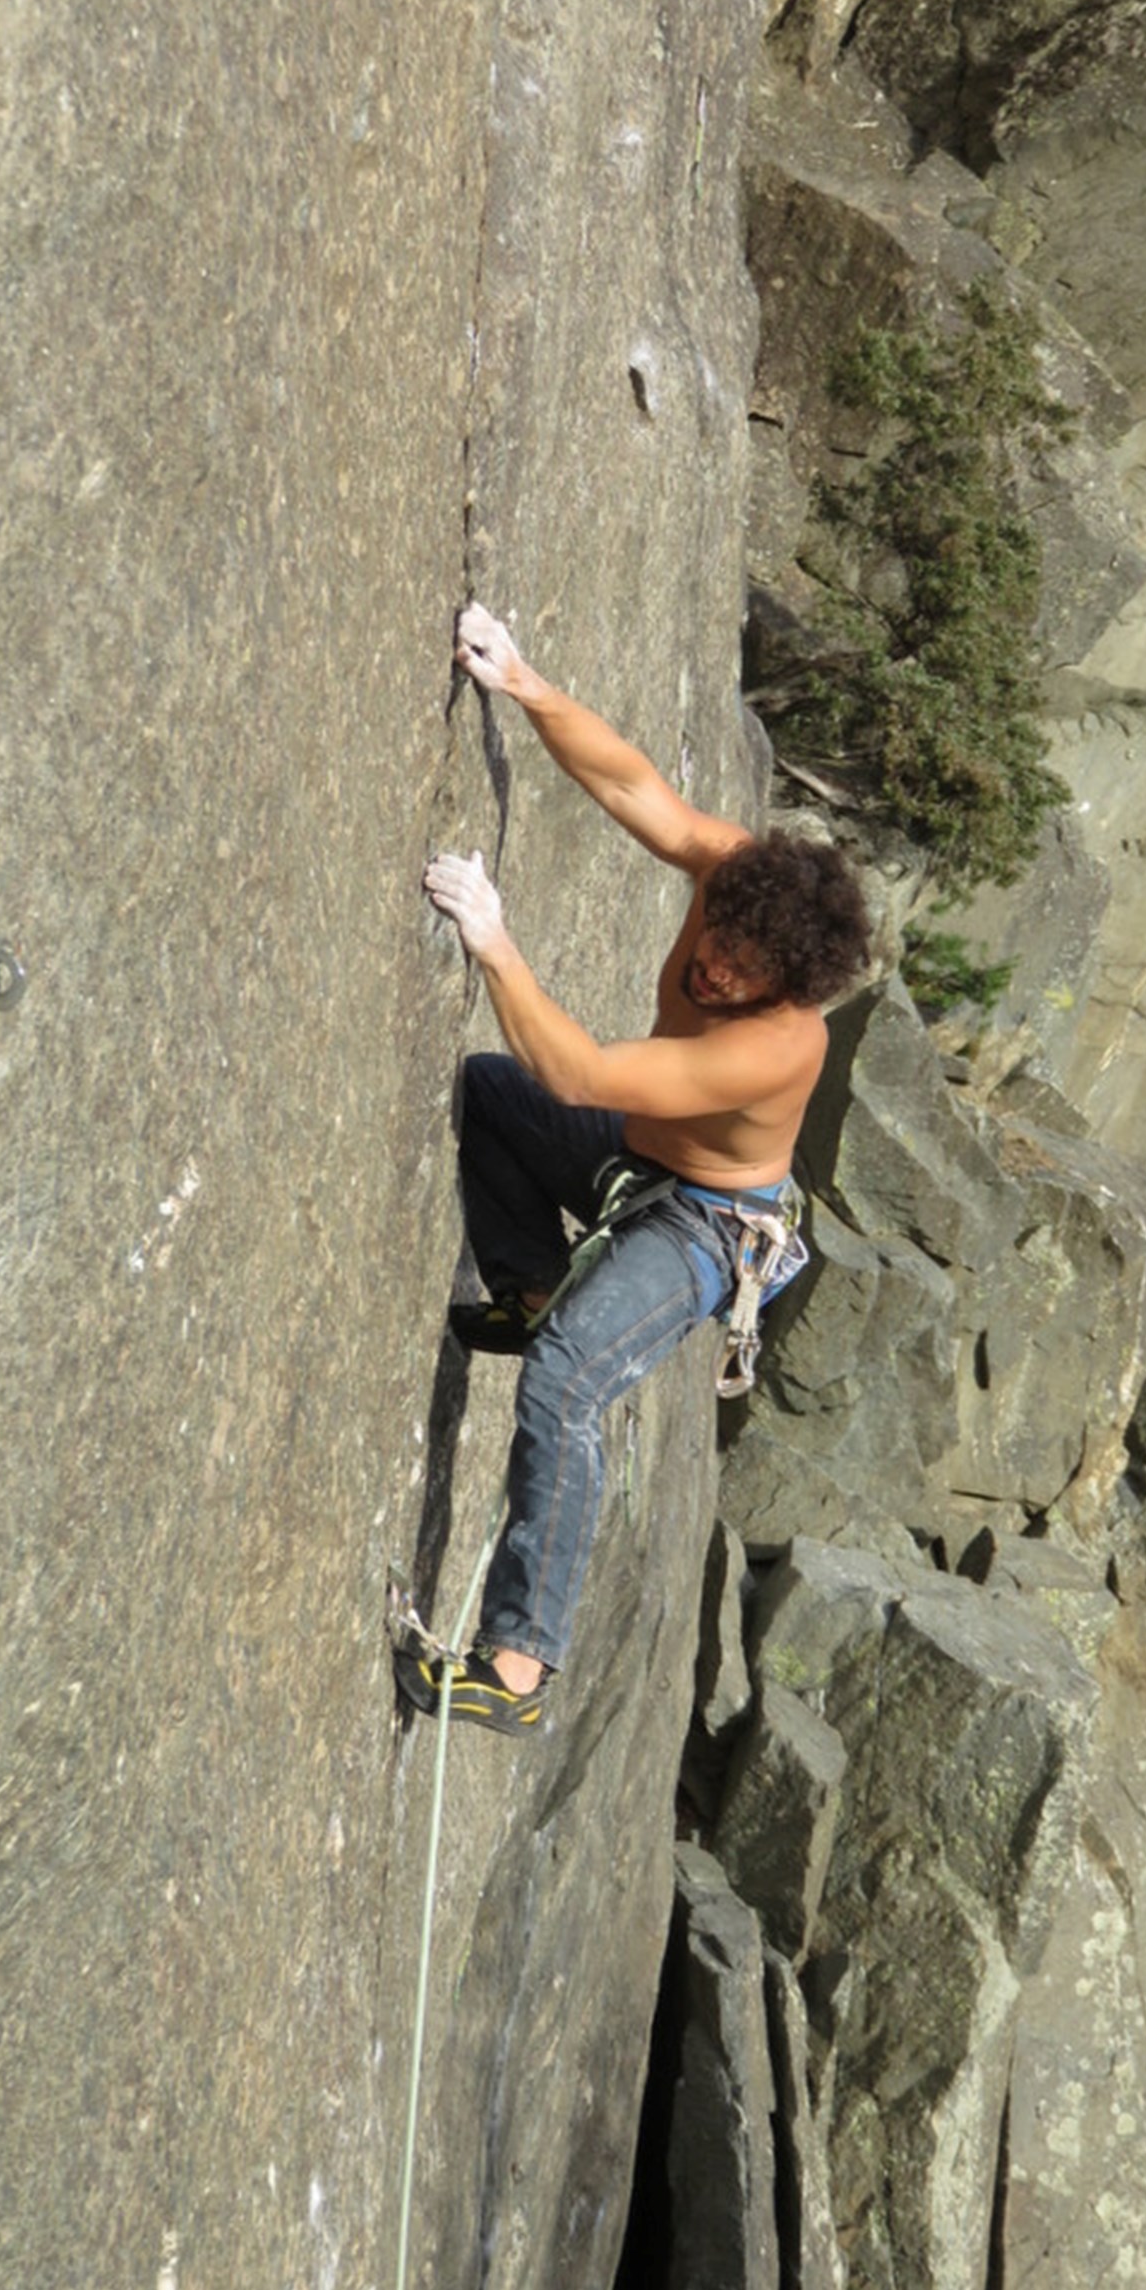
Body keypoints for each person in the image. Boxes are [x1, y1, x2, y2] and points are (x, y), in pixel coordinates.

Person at [400, 602, 870, 1735]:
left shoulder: (777, 1043)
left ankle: (518, 1670)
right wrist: (524, 682)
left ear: (785, 985)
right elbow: (632, 787)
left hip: (706, 1228)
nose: (712, 971)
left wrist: (493, 939)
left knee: (567, 1381)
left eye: (741, 973)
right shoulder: (740, 880)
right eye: (716, 944)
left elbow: (581, 1074)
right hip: (636, 1163)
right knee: (487, 1090)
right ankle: (528, 1287)